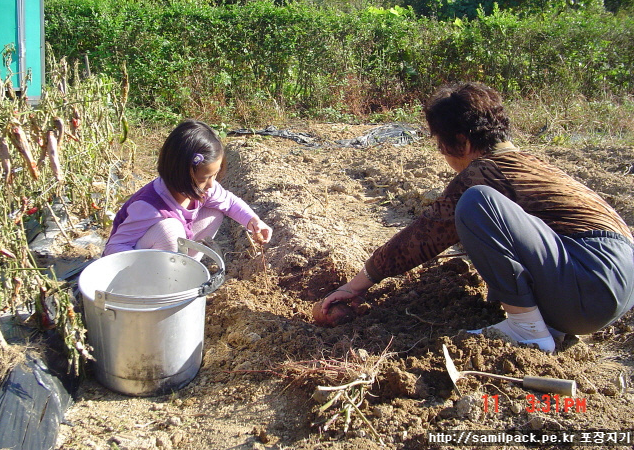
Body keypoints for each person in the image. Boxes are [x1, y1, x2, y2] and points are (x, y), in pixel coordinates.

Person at [320, 82, 634, 353]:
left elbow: (425, 235)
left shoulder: (484, 171)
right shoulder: (532, 165)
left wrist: (358, 285)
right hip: (616, 287)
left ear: (463, 142)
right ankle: (546, 325)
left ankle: (528, 331)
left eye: (441, 144)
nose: (442, 154)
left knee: (475, 203)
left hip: (590, 283)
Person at [103, 119, 272, 258]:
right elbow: (113, 248)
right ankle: (164, 284)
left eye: (214, 175)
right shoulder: (149, 207)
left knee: (214, 213)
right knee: (170, 230)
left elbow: (229, 202)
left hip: (170, 250)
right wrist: (142, 267)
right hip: (140, 265)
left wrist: (254, 221)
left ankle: (186, 269)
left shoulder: (204, 189)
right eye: (204, 179)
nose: (211, 184)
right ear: (179, 175)